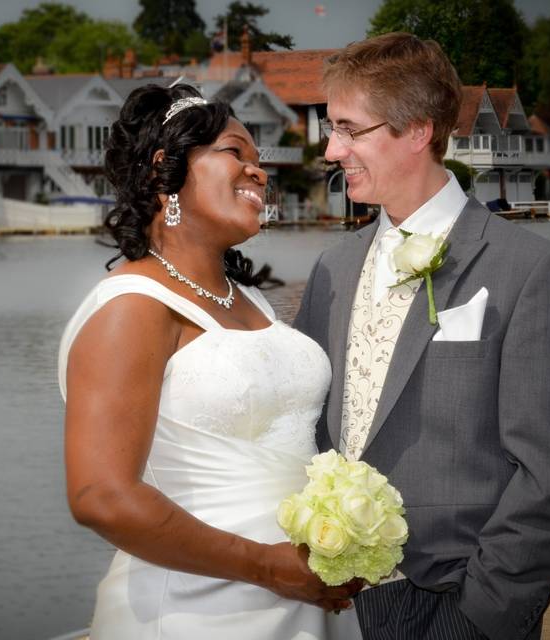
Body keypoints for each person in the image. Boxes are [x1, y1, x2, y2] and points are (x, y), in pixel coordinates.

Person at [294, 33, 550, 640]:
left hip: (457, 600)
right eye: (331, 129)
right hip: (336, 603)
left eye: (351, 130)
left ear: (417, 130)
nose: (331, 149)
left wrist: (485, 614)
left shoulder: (530, 268)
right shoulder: (331, 267)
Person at [58, 84, 362, 639]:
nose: (258, 172)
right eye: (234, 152)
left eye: (259, 159)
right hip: (193, 609)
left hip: (303, 599)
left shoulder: (249, 301)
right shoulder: (132, 308)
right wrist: (265, 566)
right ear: (164, 171)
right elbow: (98, 495)